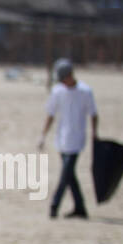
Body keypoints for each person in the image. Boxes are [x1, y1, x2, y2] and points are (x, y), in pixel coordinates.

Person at [39, 58, 97, 219]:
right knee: (70, 174)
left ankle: (54, 205)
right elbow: (50, 114)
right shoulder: (57, 91)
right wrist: (43, 135)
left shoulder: (85, 91)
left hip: (77, 139)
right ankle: (80, 208)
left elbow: (93, 114)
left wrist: (95, 133)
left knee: (66, 173)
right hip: (61, 138)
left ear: (70, 75)